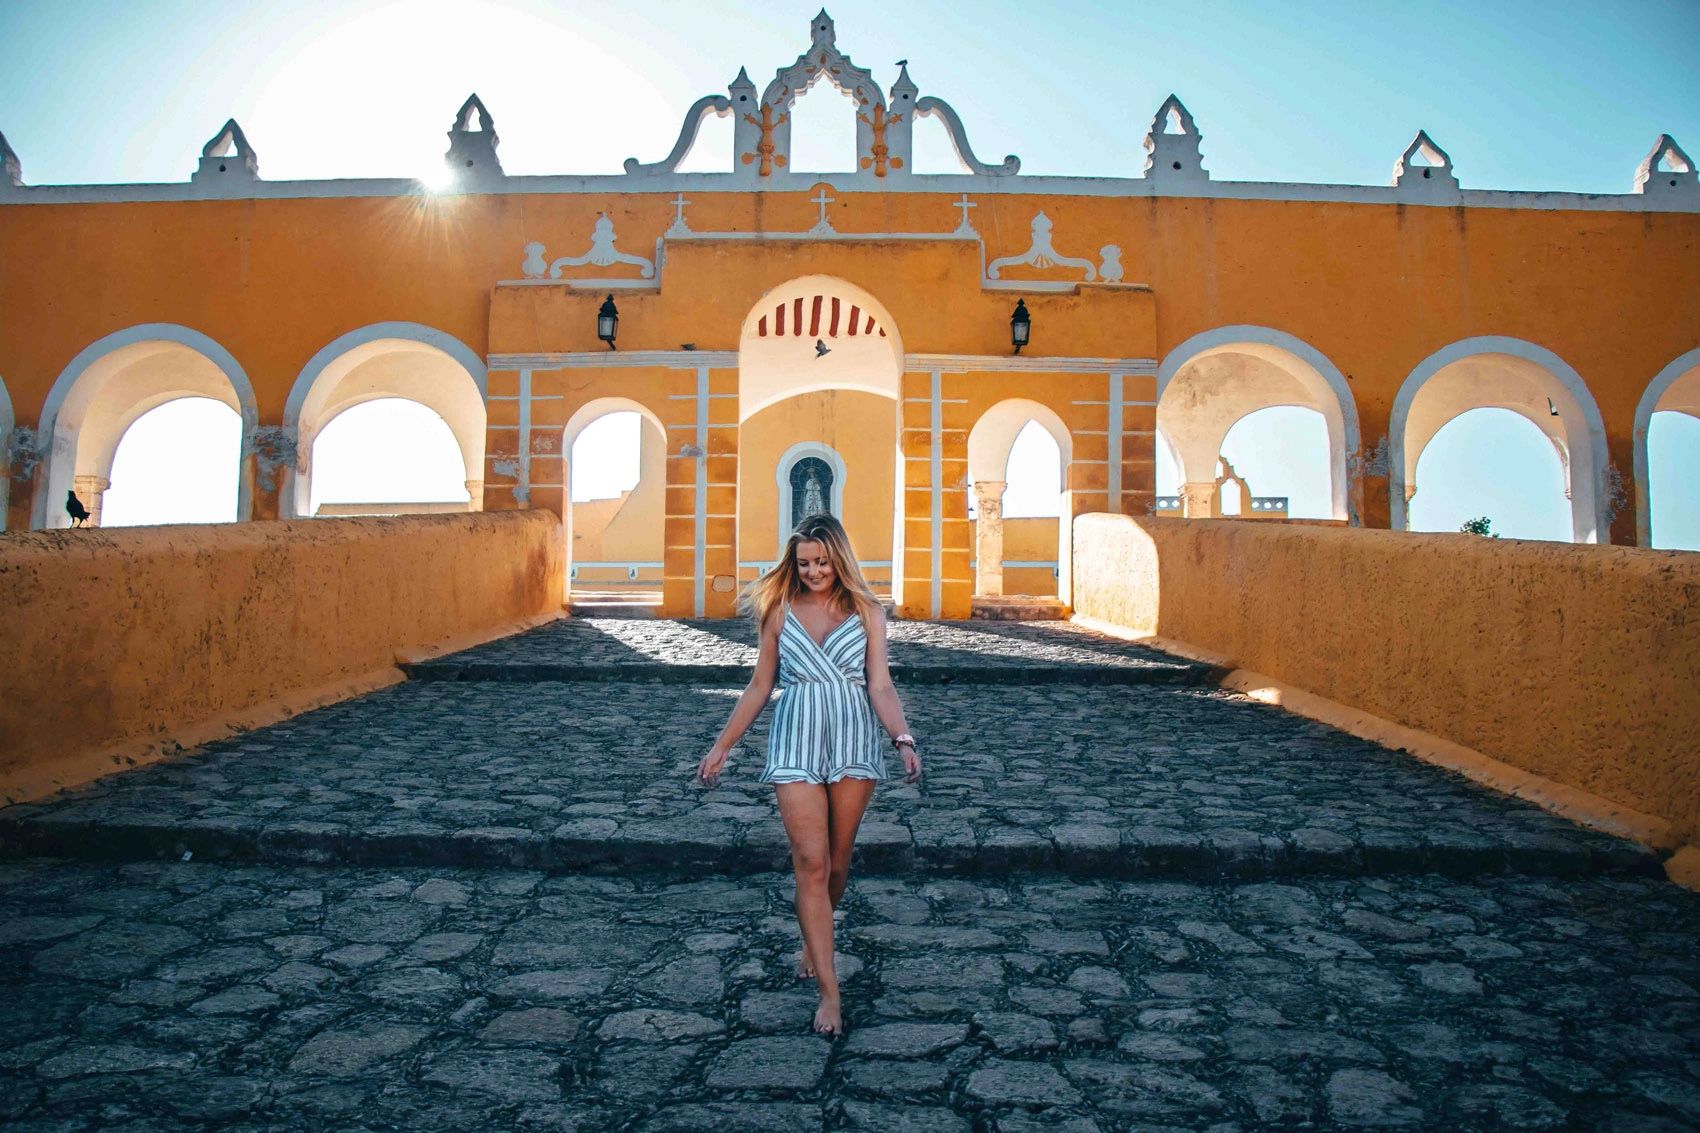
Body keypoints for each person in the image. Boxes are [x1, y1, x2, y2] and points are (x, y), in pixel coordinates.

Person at [695, 512, 921, 1038]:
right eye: (804, 563)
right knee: (810, 863)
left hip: (853, 742)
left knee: (837, 866)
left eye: (822, 561)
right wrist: (723, 745)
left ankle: (810, 939)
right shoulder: (778, 610)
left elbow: (881, 686)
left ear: (838, 558)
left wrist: (903, 739)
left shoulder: (868, 611)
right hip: (794, 739)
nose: (814, 571)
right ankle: (829, 991)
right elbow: (758, 686)